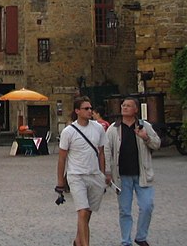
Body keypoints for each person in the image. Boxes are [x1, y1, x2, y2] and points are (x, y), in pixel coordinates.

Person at [105, 98, 161, 246]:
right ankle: (126, 241)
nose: (125, 108)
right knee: (124, 210)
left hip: (142, 174)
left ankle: (141, 236)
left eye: (129, 106)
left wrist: (146, 137)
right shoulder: (113, 128)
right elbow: (107, 150)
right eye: (123, 105)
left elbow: (157, 144)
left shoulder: (144, 126)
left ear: (136, 109)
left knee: (147, 206)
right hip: (122, 176)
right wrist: (107, 171)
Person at [56, 96, 108, 246]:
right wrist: (60, 181)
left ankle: (78, 241)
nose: (90, 111)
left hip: (94, 175)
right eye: (86, 108)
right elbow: (62, 158)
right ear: (77, 111)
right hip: (76, 175)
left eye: (91, 108)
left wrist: (103, 174)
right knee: (83, 211)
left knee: (87, 214)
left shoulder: (98, 128)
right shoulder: (68, 132)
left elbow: (101, 152)